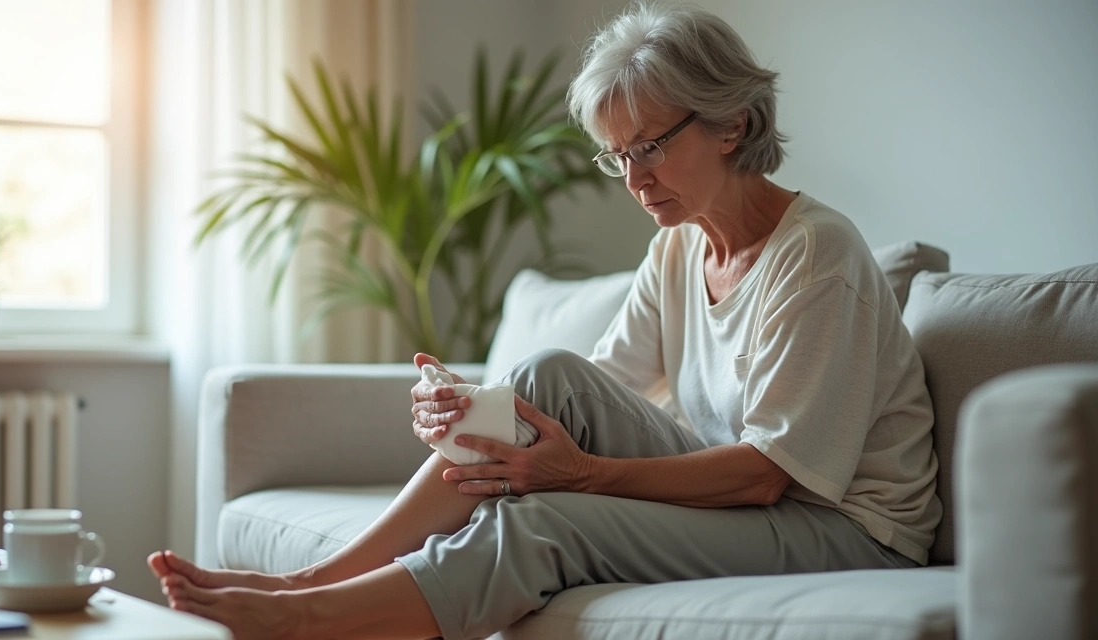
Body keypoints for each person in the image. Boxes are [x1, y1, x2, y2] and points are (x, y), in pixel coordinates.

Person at [148, 3, 941, 638]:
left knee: (548, 521)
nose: (634, 180)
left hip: (841, 527)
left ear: (731, 125)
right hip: (753, 494)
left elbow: (769, 473)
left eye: (650, 148)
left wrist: (584, 476)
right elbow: (582, 396)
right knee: (545, 374)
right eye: (618, 156)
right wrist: (470, 417)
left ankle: (310, 619)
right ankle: (310, 579)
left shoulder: (817, 254)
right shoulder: (679, 248)